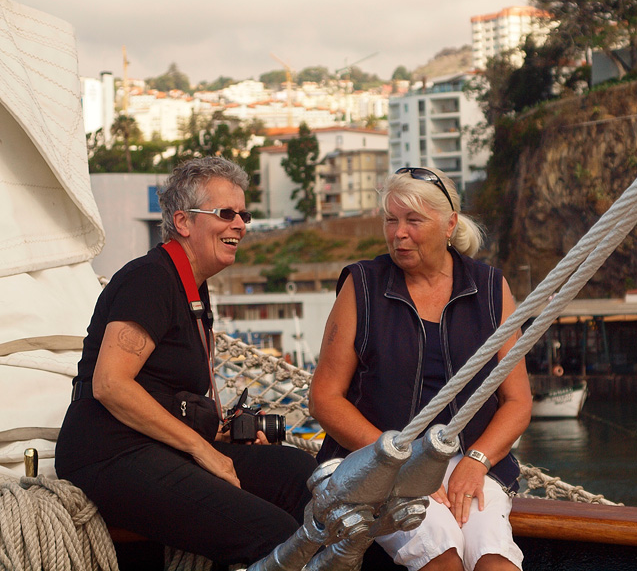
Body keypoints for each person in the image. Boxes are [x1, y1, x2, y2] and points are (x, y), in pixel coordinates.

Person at [55, 157, 317, 567]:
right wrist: (204, 450)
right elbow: (110, 384)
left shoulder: (193, 289)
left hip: (159, 449)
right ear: (182, 221)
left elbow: (166, 392)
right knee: (275, 535)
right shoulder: (149, 279)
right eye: (226, 213)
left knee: (301, 477)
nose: (240, 224)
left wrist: (219, 436)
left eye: (244, 215)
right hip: (111, 454)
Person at [309, 167, 533, 571]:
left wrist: (477, 460)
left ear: (450, 224)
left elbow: (517, 401)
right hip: (378, 464)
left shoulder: (489, 288)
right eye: (390, 220)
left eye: (413, 220)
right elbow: (325, 398)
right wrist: (395, 465)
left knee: (495, 560)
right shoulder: (362, 285)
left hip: (468, 463)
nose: (398, 233)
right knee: (441, 556)